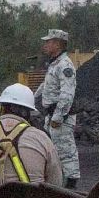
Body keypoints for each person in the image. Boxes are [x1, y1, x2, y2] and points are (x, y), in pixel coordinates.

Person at [35, 29, 81, 185]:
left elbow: (67, 94)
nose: (45, 45)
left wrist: (58, 117)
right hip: (51, 114)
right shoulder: (55, 64)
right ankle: (59, 182)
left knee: (66, 152)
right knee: (54, 150)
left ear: (58, 44)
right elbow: (47, 84)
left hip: (60, 116)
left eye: (48, 42)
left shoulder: (65, 65)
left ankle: (71, 185)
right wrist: (32, 96)